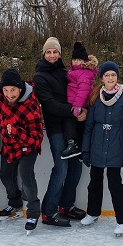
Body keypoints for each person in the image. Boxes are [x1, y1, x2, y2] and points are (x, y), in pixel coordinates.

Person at [33, 37, 87, 227]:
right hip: (56, 128)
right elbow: (49, 104)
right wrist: (74, 110)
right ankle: (48, 211)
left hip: (72, 128)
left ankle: (66, 205)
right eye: (49, 52)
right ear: (44, 54)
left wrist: (84, 110)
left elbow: (80, 92)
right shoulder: (40, 77)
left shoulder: (67, 73)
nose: (52, 55)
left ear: (60, 54)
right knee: (61, 168)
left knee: (76, 167)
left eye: (55, 52)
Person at [80, 61, 123, 236]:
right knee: (94, 181)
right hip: (97, 145)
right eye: (107, 75)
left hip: (116, 147)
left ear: (117, 77)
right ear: (102, 78)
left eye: (113, 75)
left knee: (115, 183)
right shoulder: (96, 96)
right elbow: (89, 126)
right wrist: (86, 150)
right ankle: (93, 212)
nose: (110, 78)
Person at [0, 68, 43, 234]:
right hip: (9, 146)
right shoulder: (1, 96)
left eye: (13, 90)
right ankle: (15, 202)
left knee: (26, 175)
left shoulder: (31, 107)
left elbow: (36, 138)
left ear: (21, 89)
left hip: (27, 148)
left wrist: (16, 131)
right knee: (5, 175)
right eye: (6, 90)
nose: (9, 94)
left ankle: (33, 211)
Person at [61, 41, 98, 159]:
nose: (76, 62)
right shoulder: (72, 72)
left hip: (79, 104)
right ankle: (80, 147)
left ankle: (73, 144)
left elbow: (83, 90)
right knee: (77, 125)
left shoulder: (84, 73)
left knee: (71, 120)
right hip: (75, 103)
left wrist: (77, 106)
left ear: (84, 61)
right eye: (74, 59)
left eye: (79, 60)